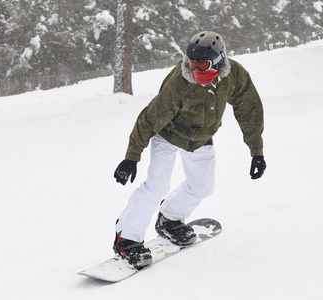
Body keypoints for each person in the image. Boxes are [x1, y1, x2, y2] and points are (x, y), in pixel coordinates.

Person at [112, 31, 266, 268]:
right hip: (168, 134)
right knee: (157, 185)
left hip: (201, 138)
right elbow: (150, 118)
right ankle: (127, 238)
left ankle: (170, 218)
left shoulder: (234, 75)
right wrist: (131, 157)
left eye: (202, 64)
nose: (196, 70)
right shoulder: (180, 82)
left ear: (218, 59)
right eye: (192, 63)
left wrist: (256, 150)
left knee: (203, 186)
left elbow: (249, 109)